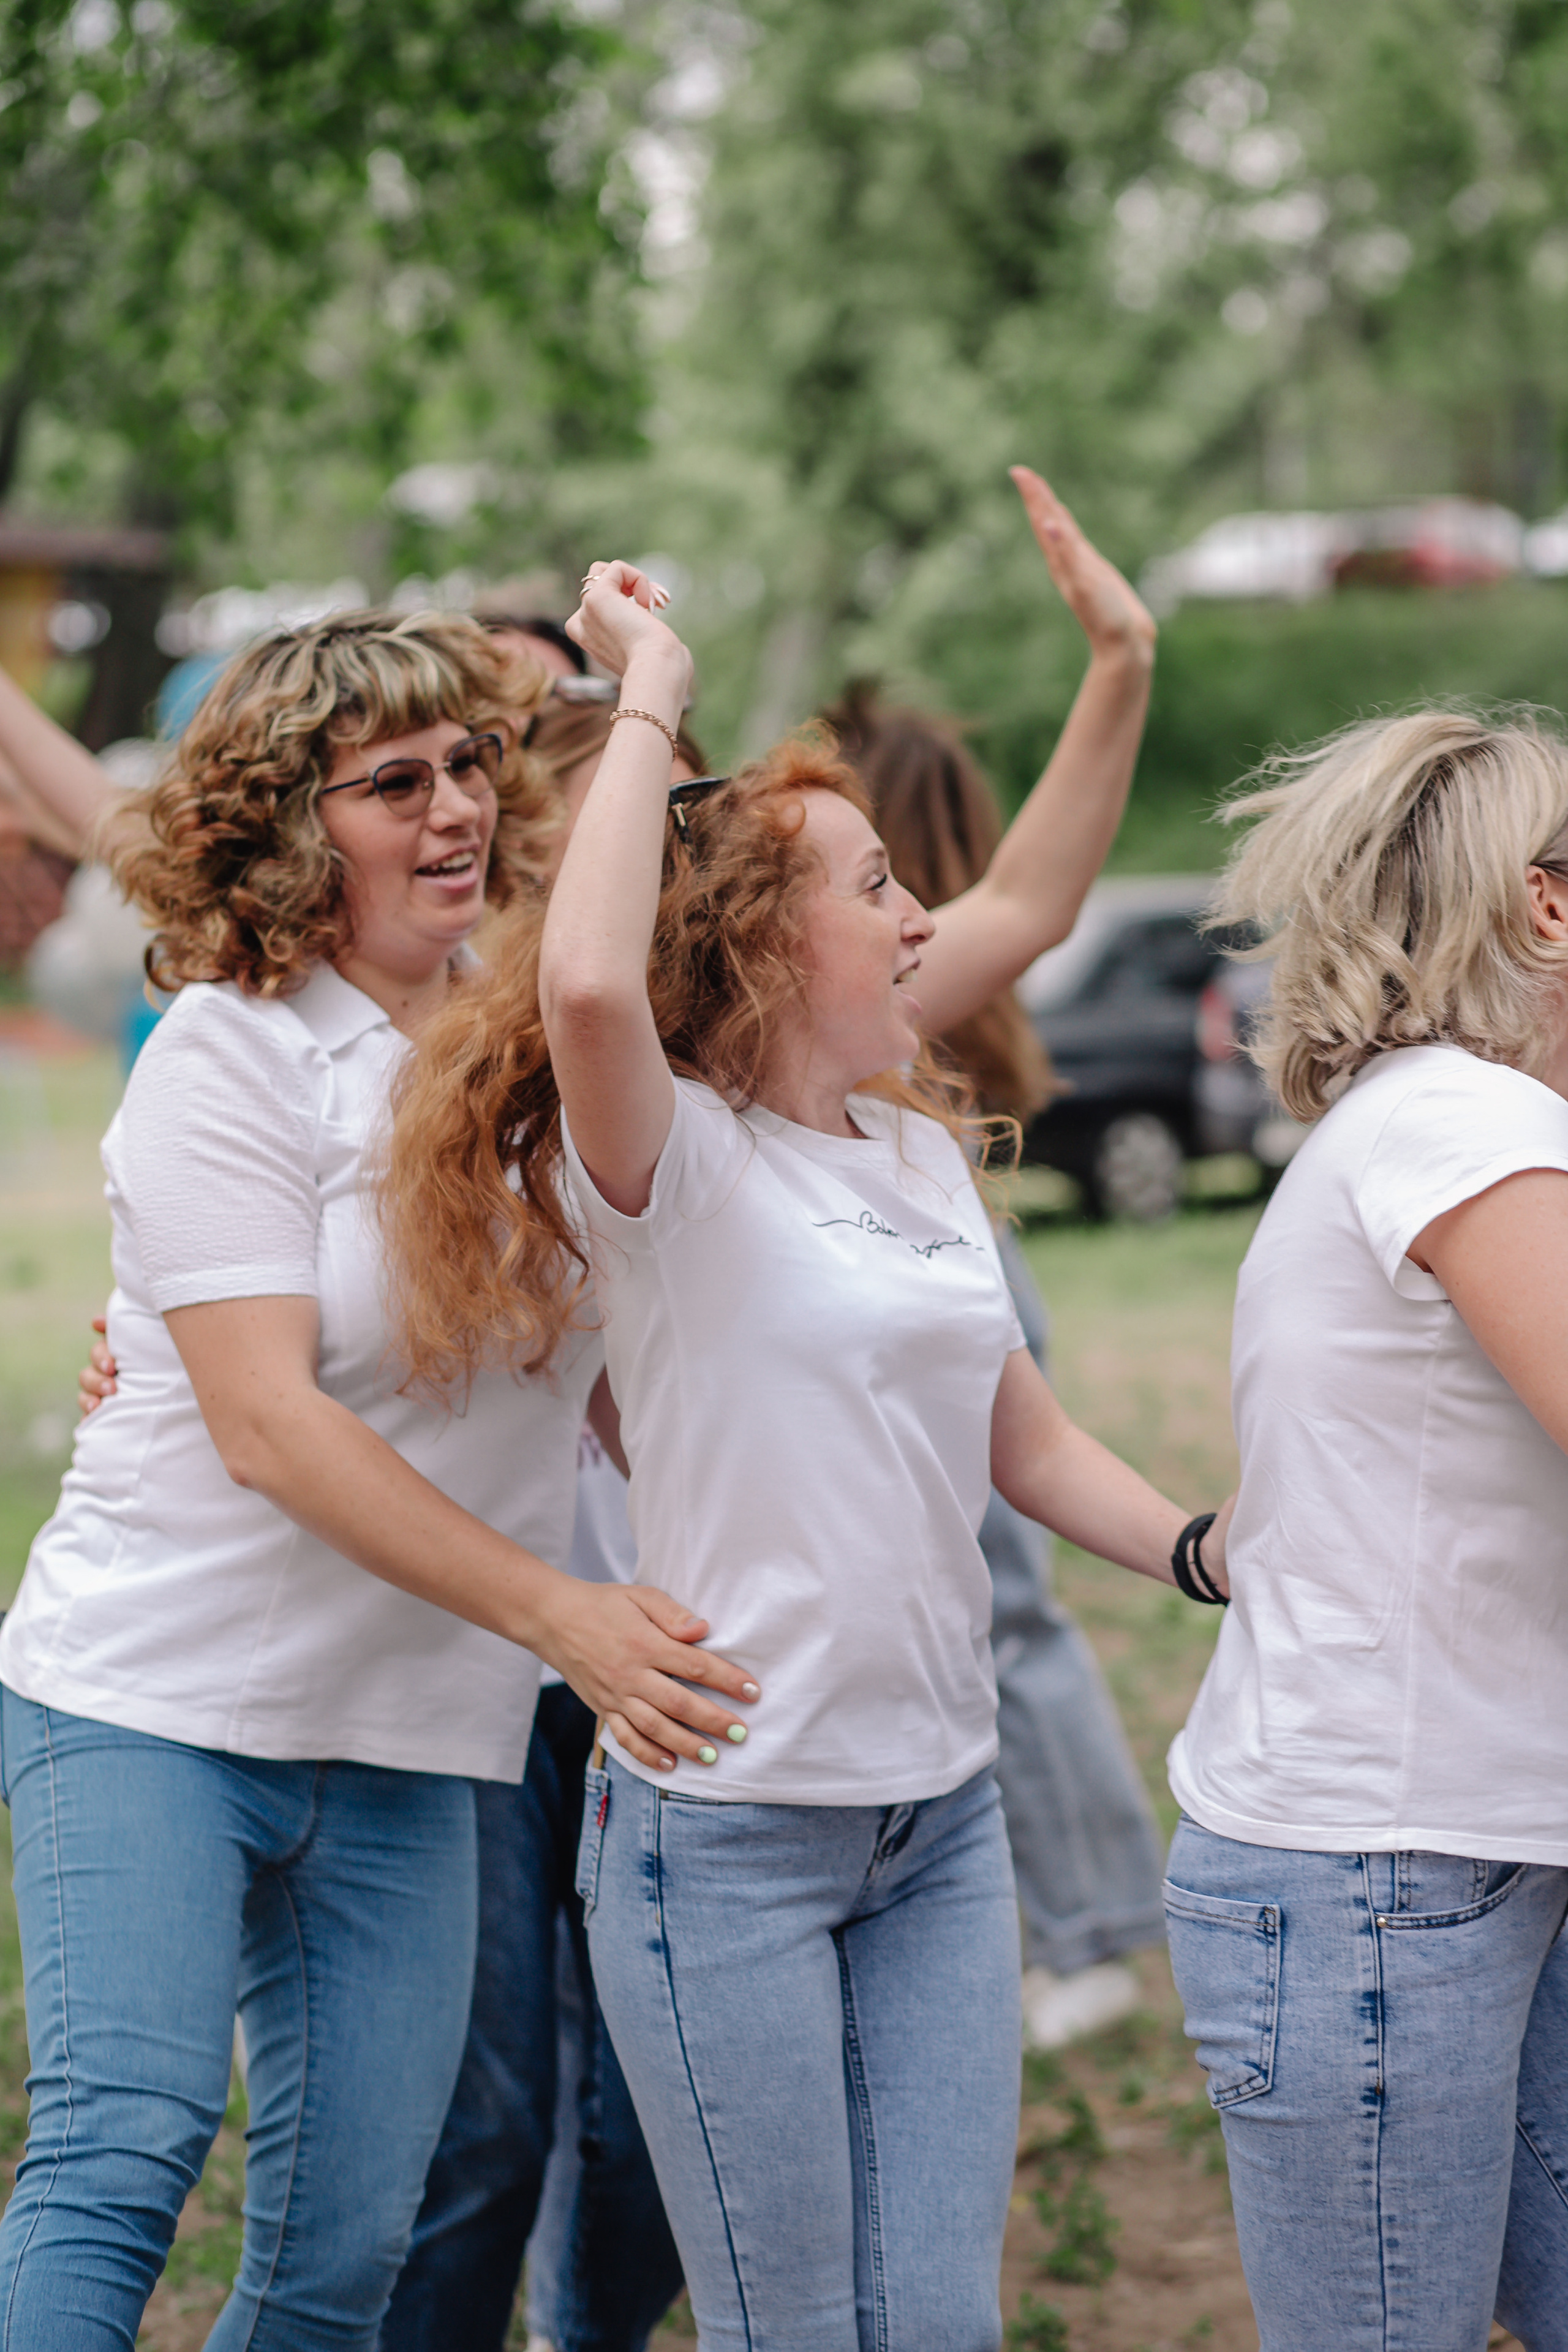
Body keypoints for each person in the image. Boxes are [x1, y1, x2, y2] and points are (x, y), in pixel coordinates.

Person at [379, 543, 1229, 2351]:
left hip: (939, 1825)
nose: (923, 918)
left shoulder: (918, 1158)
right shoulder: (674, 1169)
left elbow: (1034, 1439)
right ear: (765, 939)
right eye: (879, 885)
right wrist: (654, 683)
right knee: (796, 2327)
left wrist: (1202, 1552)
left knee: (938, 2326)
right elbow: (593, 988)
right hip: (732, 1844)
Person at [0, 617, 756, 2352]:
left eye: (472, 767)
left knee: (348, 2253)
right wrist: (565, 1607)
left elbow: (632, 1383)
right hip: (151, 1700)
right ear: (286, 829)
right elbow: (267, 1427)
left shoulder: (527, 1065)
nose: (457, 810)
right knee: (125, 2154)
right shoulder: (226, 1058)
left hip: (414, 1738)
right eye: (395, 783)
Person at [1163, 709, 1568, 2348]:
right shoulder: (1465, 1127)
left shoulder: (1444, 1123)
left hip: (1464, 1859)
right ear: (1547, 905)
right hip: (1381, 1885)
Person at [823, 681, 1167, 2046]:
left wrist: (1117, 665)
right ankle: (1071, 1921)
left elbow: (1027, 899)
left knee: (1006, 1605)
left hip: (941, 1248)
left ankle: (1084, 1924)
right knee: (996, 1603)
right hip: (925, 1250)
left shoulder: (886, 965)